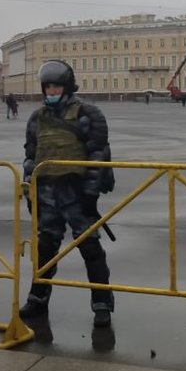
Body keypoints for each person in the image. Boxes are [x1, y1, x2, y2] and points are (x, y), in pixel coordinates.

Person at [20, 59, 115, 329]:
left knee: (90, 247)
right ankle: (37, 298)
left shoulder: (88, 113)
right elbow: (30, 156)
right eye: (47, 87)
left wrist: (90, 195)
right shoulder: (37, 118)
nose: (51, 92)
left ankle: (102, 305)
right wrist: (30, 189)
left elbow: (99, 156)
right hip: (47, 193)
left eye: (56, 87)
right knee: (46, 247)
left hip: (76, 193)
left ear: (67, 87)